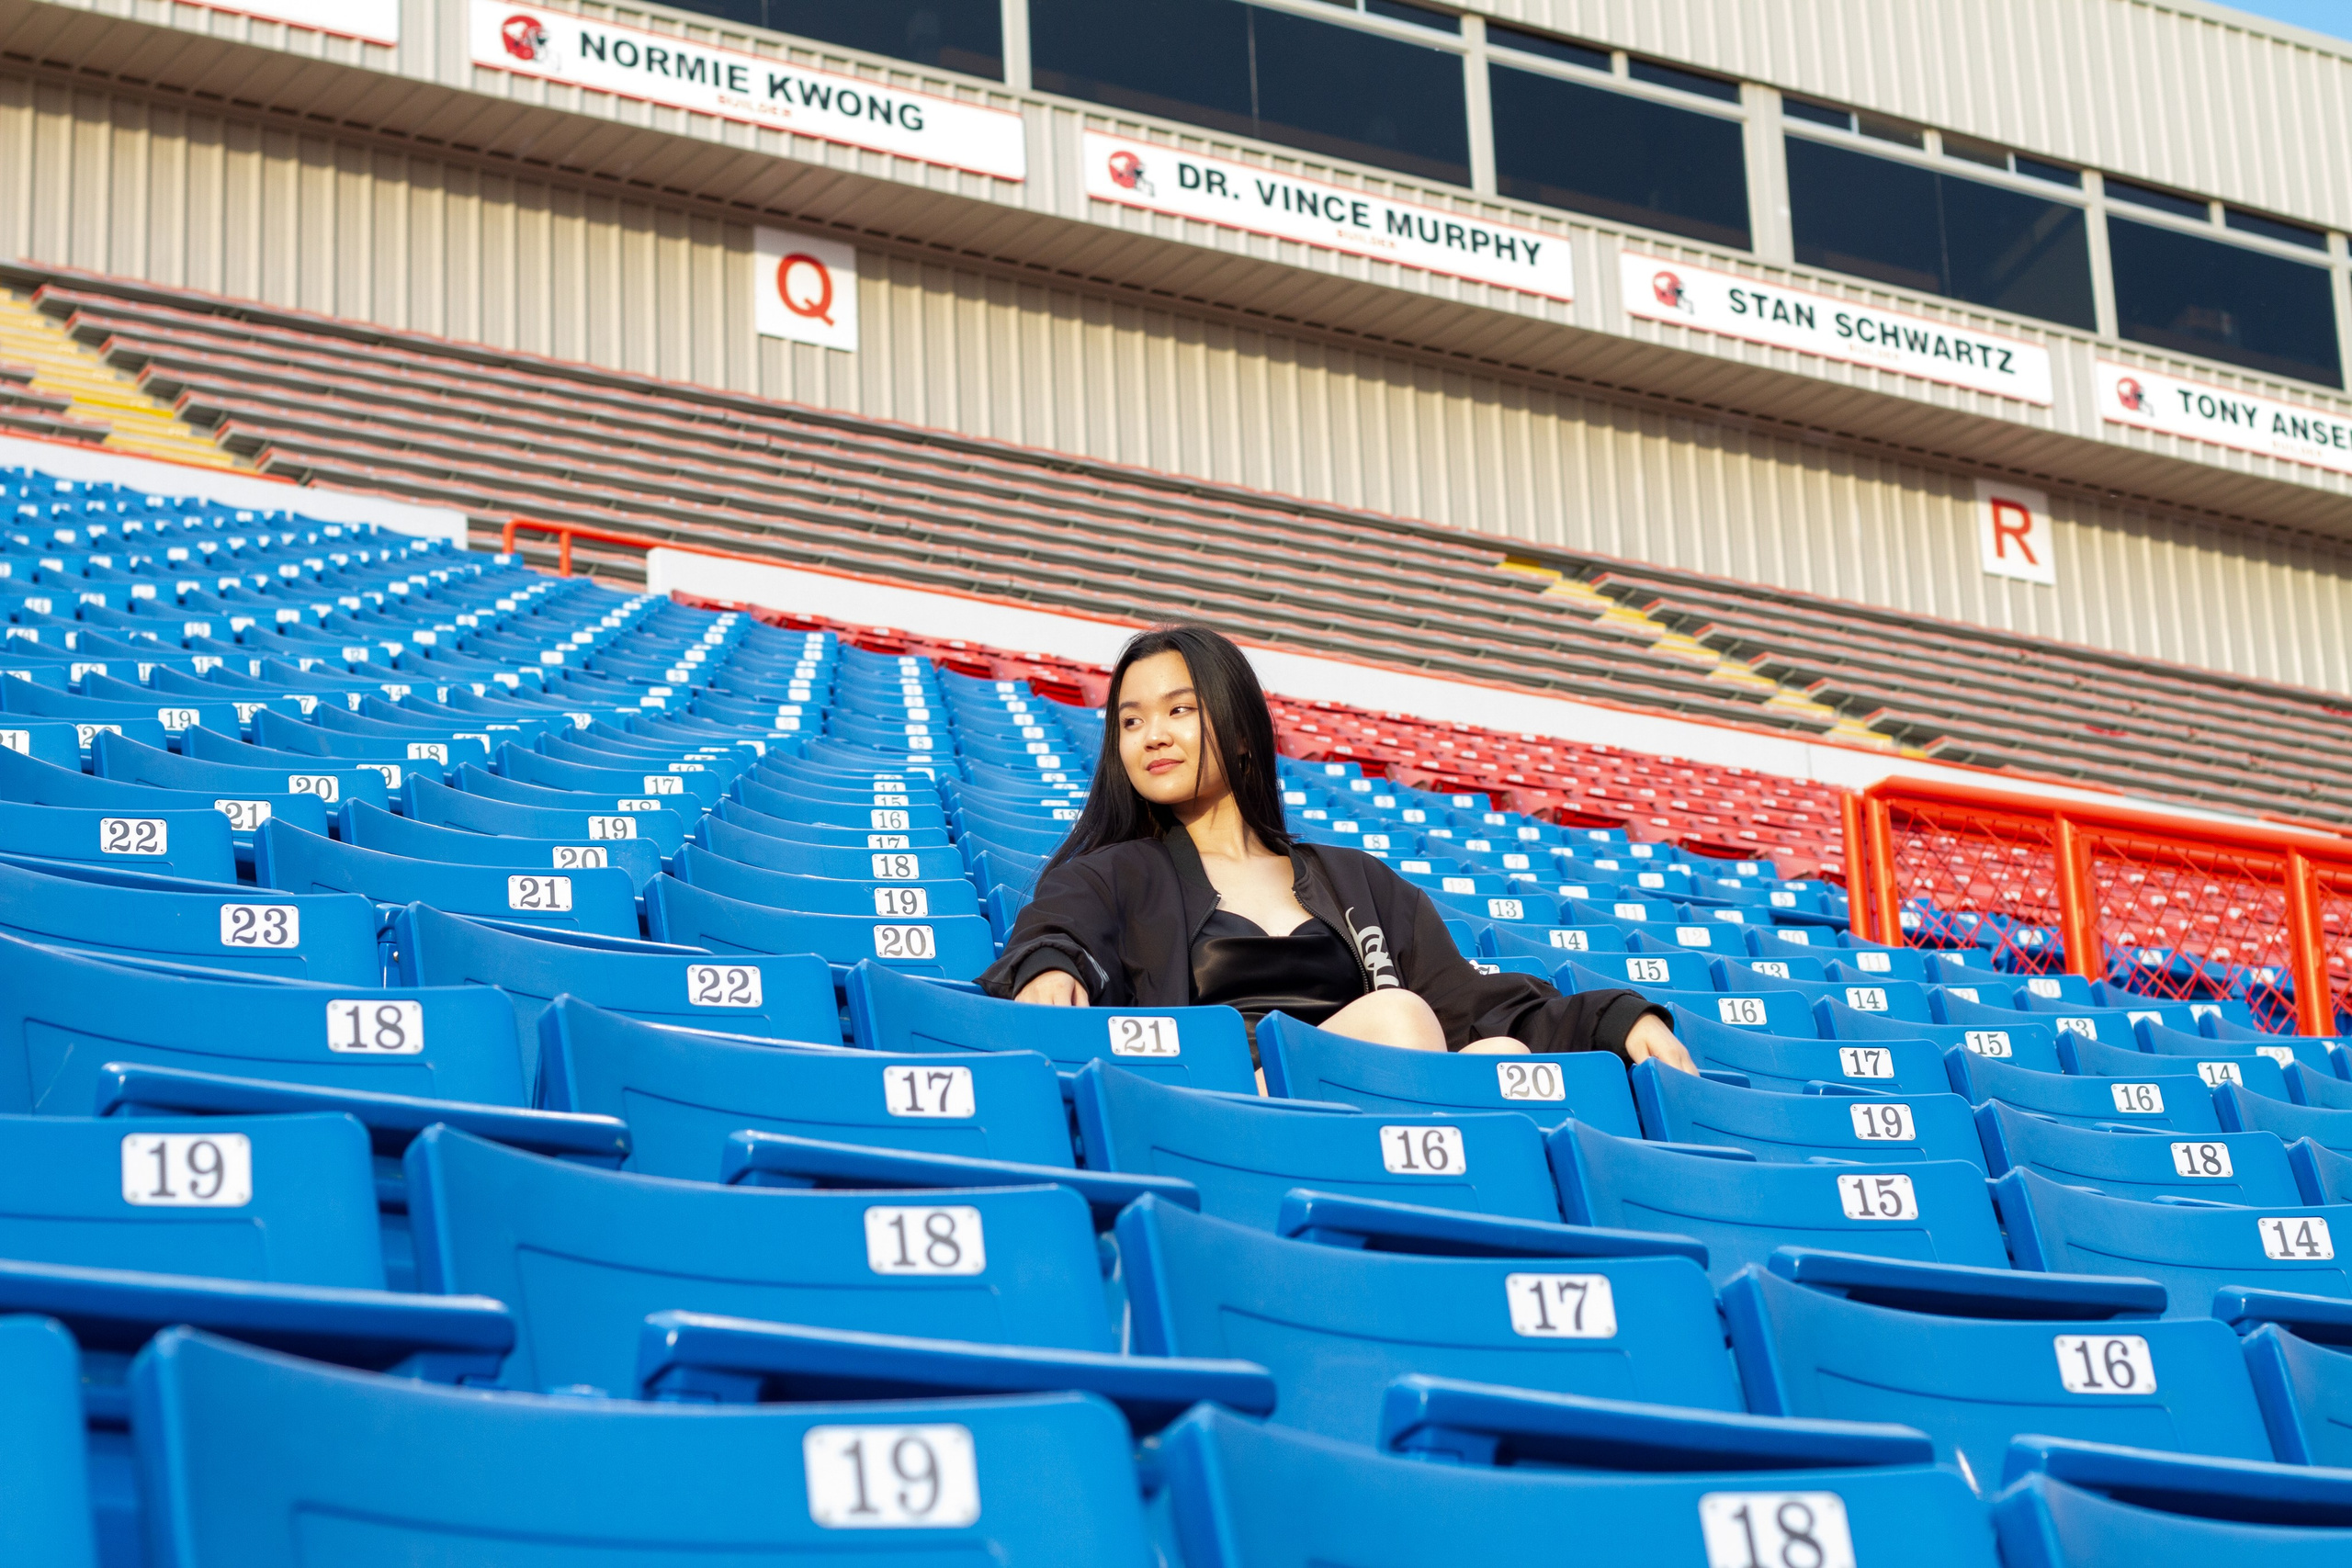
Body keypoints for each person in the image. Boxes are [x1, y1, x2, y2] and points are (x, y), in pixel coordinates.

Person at [979, 624, 1698, 1073]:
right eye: (1130, 721)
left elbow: (1471, 1003)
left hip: (1375, 1092)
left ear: (1236, 730)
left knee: (1500, 1053)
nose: (1152, 736)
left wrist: (1613, 1018)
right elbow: (1056, 932)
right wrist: (1046, 966)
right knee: (1397, 1016)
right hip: (1226, 1107)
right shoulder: (1116, 873)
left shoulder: (1357, 881)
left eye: (1179, 710)